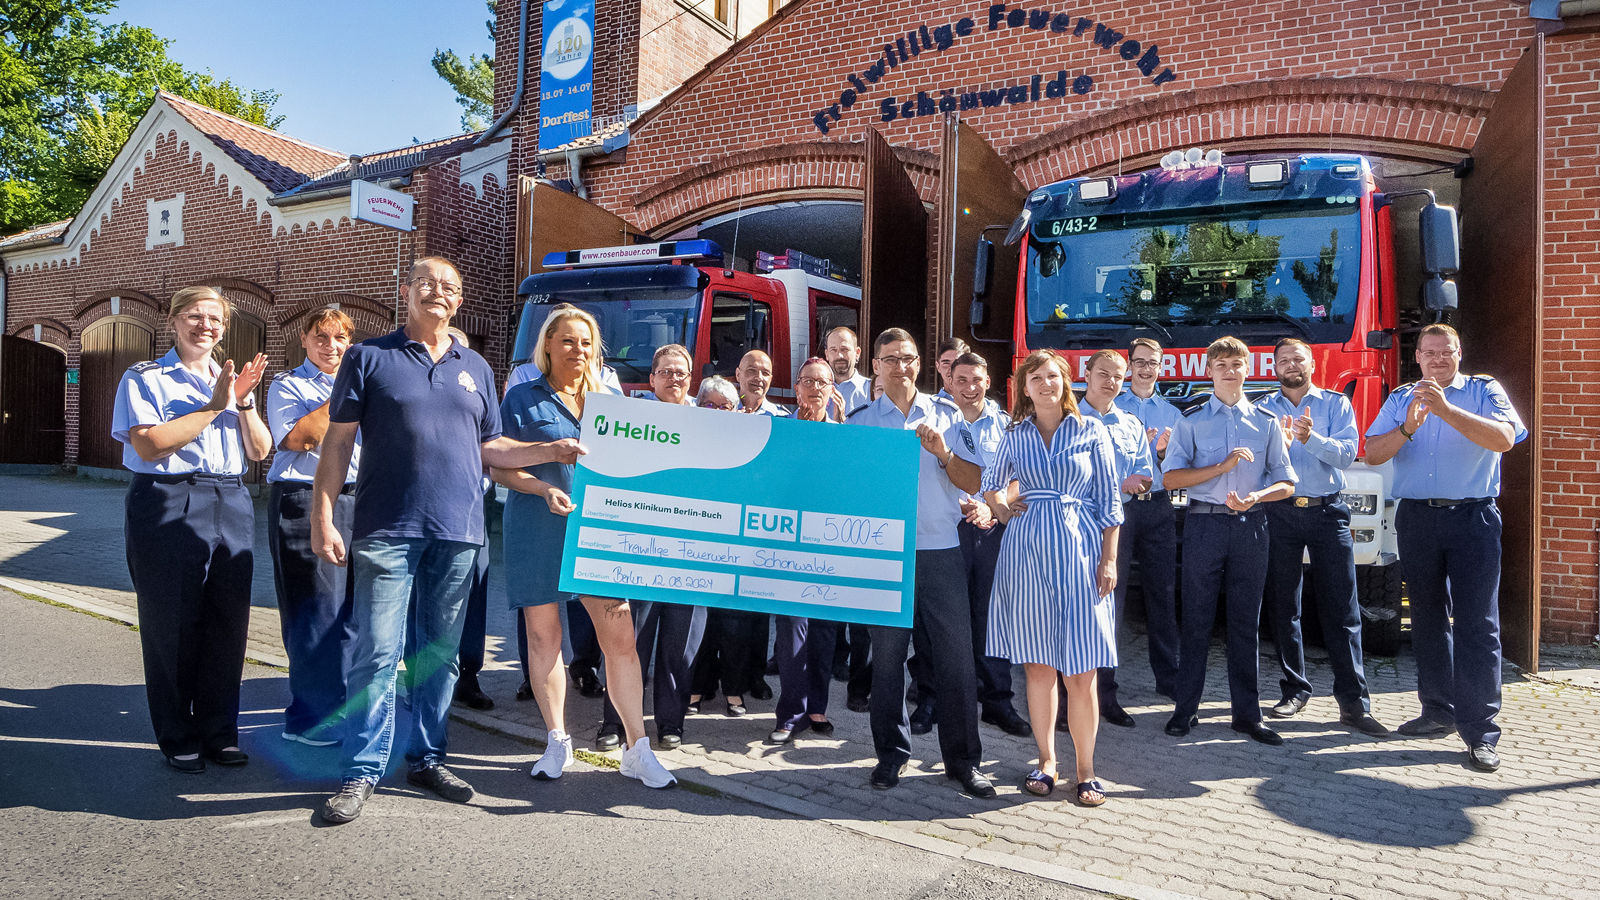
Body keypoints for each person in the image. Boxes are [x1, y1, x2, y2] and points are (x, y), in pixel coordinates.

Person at [310, 258, 588, 825]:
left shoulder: (477, 368)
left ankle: (427, 757)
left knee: (439, 657)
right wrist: (322, 516)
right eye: (427, 284)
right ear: (406, 291)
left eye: (450, 288)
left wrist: (549, 454)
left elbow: (491, 449)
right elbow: (337, 445)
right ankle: (362, 768)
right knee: (378, 653)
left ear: (459, 302)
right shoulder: (369, 358)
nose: (438, 293)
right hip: (386, 529)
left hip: (460, 533)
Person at [493, 304, 678, 787]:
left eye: (586, 342)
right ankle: (556, 741)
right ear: (548, 345)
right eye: (569, 340)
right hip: (537, 523)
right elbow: (499, 464)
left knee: (619, 637)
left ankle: (637, 748)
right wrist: (541, 486)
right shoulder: (521, 397)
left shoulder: (612, 403)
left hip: (600, 533)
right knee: (543, 637)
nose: (579, 350)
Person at [113, 285, 271, 773]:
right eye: (195, 316)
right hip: (169, 497)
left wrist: (241, 403)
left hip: (231, 496)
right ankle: (177, 733)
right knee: (173, 623)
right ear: (174, 321)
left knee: (228, 623)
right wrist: (212, 405)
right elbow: (151, 445)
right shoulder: (146, 377)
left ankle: (220, 732)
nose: (206, 326)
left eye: (215, 319)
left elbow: (261, 451)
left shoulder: (230, 381)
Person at [1363, 323, 1527, 773]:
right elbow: (1374, 453)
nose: (1437, 359)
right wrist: (1409, 428)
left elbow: (1505, 438)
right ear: (1417, 356)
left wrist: (1445, 409)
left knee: (1478, 624)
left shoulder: (1483, 390)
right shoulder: (1400, 398)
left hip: (1473, 518)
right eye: (1429, 353)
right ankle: (1437, 712)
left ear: (1459, 352)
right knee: (1428, 619)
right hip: (1418, 518)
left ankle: (1481, 733)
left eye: (1445, 352)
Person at [848, 328, 995, 798]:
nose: (900, 367)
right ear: (875, 365)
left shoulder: (948, 415)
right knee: (888, 663)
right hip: (885, 555)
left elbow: (974, 478)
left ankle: (964, 762)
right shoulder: (860, 422)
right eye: (890, 359)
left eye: (908, 358)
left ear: (921, 363)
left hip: (940, 551)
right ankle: (891, 756)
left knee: (955, 661)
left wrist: (943, 452)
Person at [981, 350, 1122, 806]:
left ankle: (1086, 770)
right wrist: (1001, 507)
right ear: (1024, 387)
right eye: (1036, 378)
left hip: (1081, 555)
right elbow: (990, 480)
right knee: (1038, 669)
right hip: (1026, 555)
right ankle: (1046, 761)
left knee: (1082, 672)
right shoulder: (1015, 434)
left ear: (1067, 383)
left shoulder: (1091, 430)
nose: (1046, 384)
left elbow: (1109, 502)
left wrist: (1109, 559)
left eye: (1054, 376)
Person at [1161, 336, 1297, 745]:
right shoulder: (1191, 421)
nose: (1229, 372)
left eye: (1236, 365)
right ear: (1209, 371)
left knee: (1245, 622)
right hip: (1204, 526)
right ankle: (1186, 710)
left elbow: (1287, 481)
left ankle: (1247, 715)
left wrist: (1257, 495)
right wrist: (1221, 467)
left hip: (1251, 527)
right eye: (1220, 365)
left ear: (1248, 369)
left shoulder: (1266, 422)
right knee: (1197, 620)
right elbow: (1170, 479)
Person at [1258, 338, 1387, 737]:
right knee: (1284, 607)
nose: (1290, 364)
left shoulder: (1335, 404)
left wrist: (1310, 438)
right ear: (1274, 367)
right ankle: (1294, 689)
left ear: (1312, 363)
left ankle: (1353, 703)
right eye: (1283, 360)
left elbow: (1349, 454)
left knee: (1343, 610)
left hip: (1328, 512)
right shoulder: (1262, 409)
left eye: (1297, 358)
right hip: (1279, 512)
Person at [597, 345, 708, 751]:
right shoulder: (631, 421)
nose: (674, 379)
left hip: (693, 556)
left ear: (690, 379)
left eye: (681, 372)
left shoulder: (711, 425)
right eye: (666, 372)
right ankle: (616, 723)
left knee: (679, 648)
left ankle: (671, 723)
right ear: (653, 378)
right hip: (639, 554)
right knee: (628, 643)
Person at [266, 307, 360, 747]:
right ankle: (308, 720)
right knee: (316, 612)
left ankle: (344, 709)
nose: (332, 346)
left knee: (353, 614)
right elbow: (300, 438)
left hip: (360, 500)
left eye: (340, 338)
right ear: (304, 340)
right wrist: (345, 389)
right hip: (304, 501)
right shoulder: (289, 385)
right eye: (321, 337)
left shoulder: (364, 387)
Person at [942, 352, 1030, 738]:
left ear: (987, 379)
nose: (969, 387)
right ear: (949, 381)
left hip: (994, 529)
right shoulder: (937, 420)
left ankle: (997, 701)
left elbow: (1018, 477)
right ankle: (937, 698)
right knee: (947, 620)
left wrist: (995, 508)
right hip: (947, 530)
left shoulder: (1010, 424)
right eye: (961, 379)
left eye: (976, 379)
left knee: (994, 618)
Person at [768, 358, 846, 744]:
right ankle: (790, 712)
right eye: (807, 382)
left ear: (834, 390)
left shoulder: (846, 437)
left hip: (830, 546)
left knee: (824, 632)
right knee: (791, 629)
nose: (814, 388)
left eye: (822, 382)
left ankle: (818, 706)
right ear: (796, 389)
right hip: (788, 545)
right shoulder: (781, 433)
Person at [1078, 349, 1156, 729]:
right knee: (1069, 612)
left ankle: (1105, 697)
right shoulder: (1065, 420)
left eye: (1118, 376)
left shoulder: (1130, 424)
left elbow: (1146, 474)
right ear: (1087, 373)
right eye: (1103, 374)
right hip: (1072, 528)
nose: (1110, 382)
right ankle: (1064, 704)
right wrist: (1110, 483)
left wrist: (1135, 482)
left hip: (1113, 530)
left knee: (1109, 613)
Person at [1110, 338, 1181, 704]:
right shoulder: (1111, 408)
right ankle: (1105, 683)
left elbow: (1180, 469)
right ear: (1129, 364)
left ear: (1161, 367)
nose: (1145, 369)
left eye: (1152, 363)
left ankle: (1168, 679)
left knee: (1162, 593)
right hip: (1119, 507)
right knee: (1112, 593)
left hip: (1157, 507)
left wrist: (1164, 453)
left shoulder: (1172, 414)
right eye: (1139, 362)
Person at [824, 326, 872, 415]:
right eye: (833, 350)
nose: (839, 356)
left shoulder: (871, 390)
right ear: (827, 355)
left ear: (857, 353)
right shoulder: (818, 390)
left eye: (844, 349)